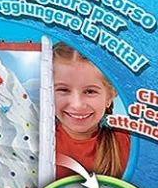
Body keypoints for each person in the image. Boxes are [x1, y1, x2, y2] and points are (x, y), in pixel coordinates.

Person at [52, 43, 131, 179]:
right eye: (63, 90)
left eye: (90, 91)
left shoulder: (127, 143)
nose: (77, 105)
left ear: (110, 96)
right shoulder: (35, 139)